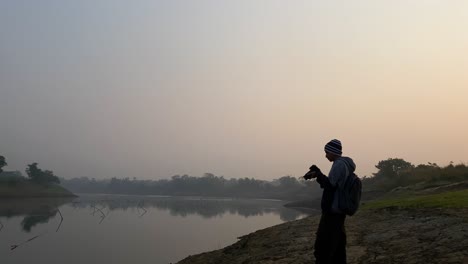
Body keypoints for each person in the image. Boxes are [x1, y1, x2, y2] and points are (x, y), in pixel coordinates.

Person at [303, 139, 356, 264]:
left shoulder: (339, 164)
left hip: (333, 211)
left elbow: (330, 186)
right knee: (337, 246)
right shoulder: (346, 164)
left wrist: (318, 174)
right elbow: (334, 184)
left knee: (323, 247)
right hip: (339, 210)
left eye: (327, 152)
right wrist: (318, 174)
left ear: (333, 152)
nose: (326, 155)